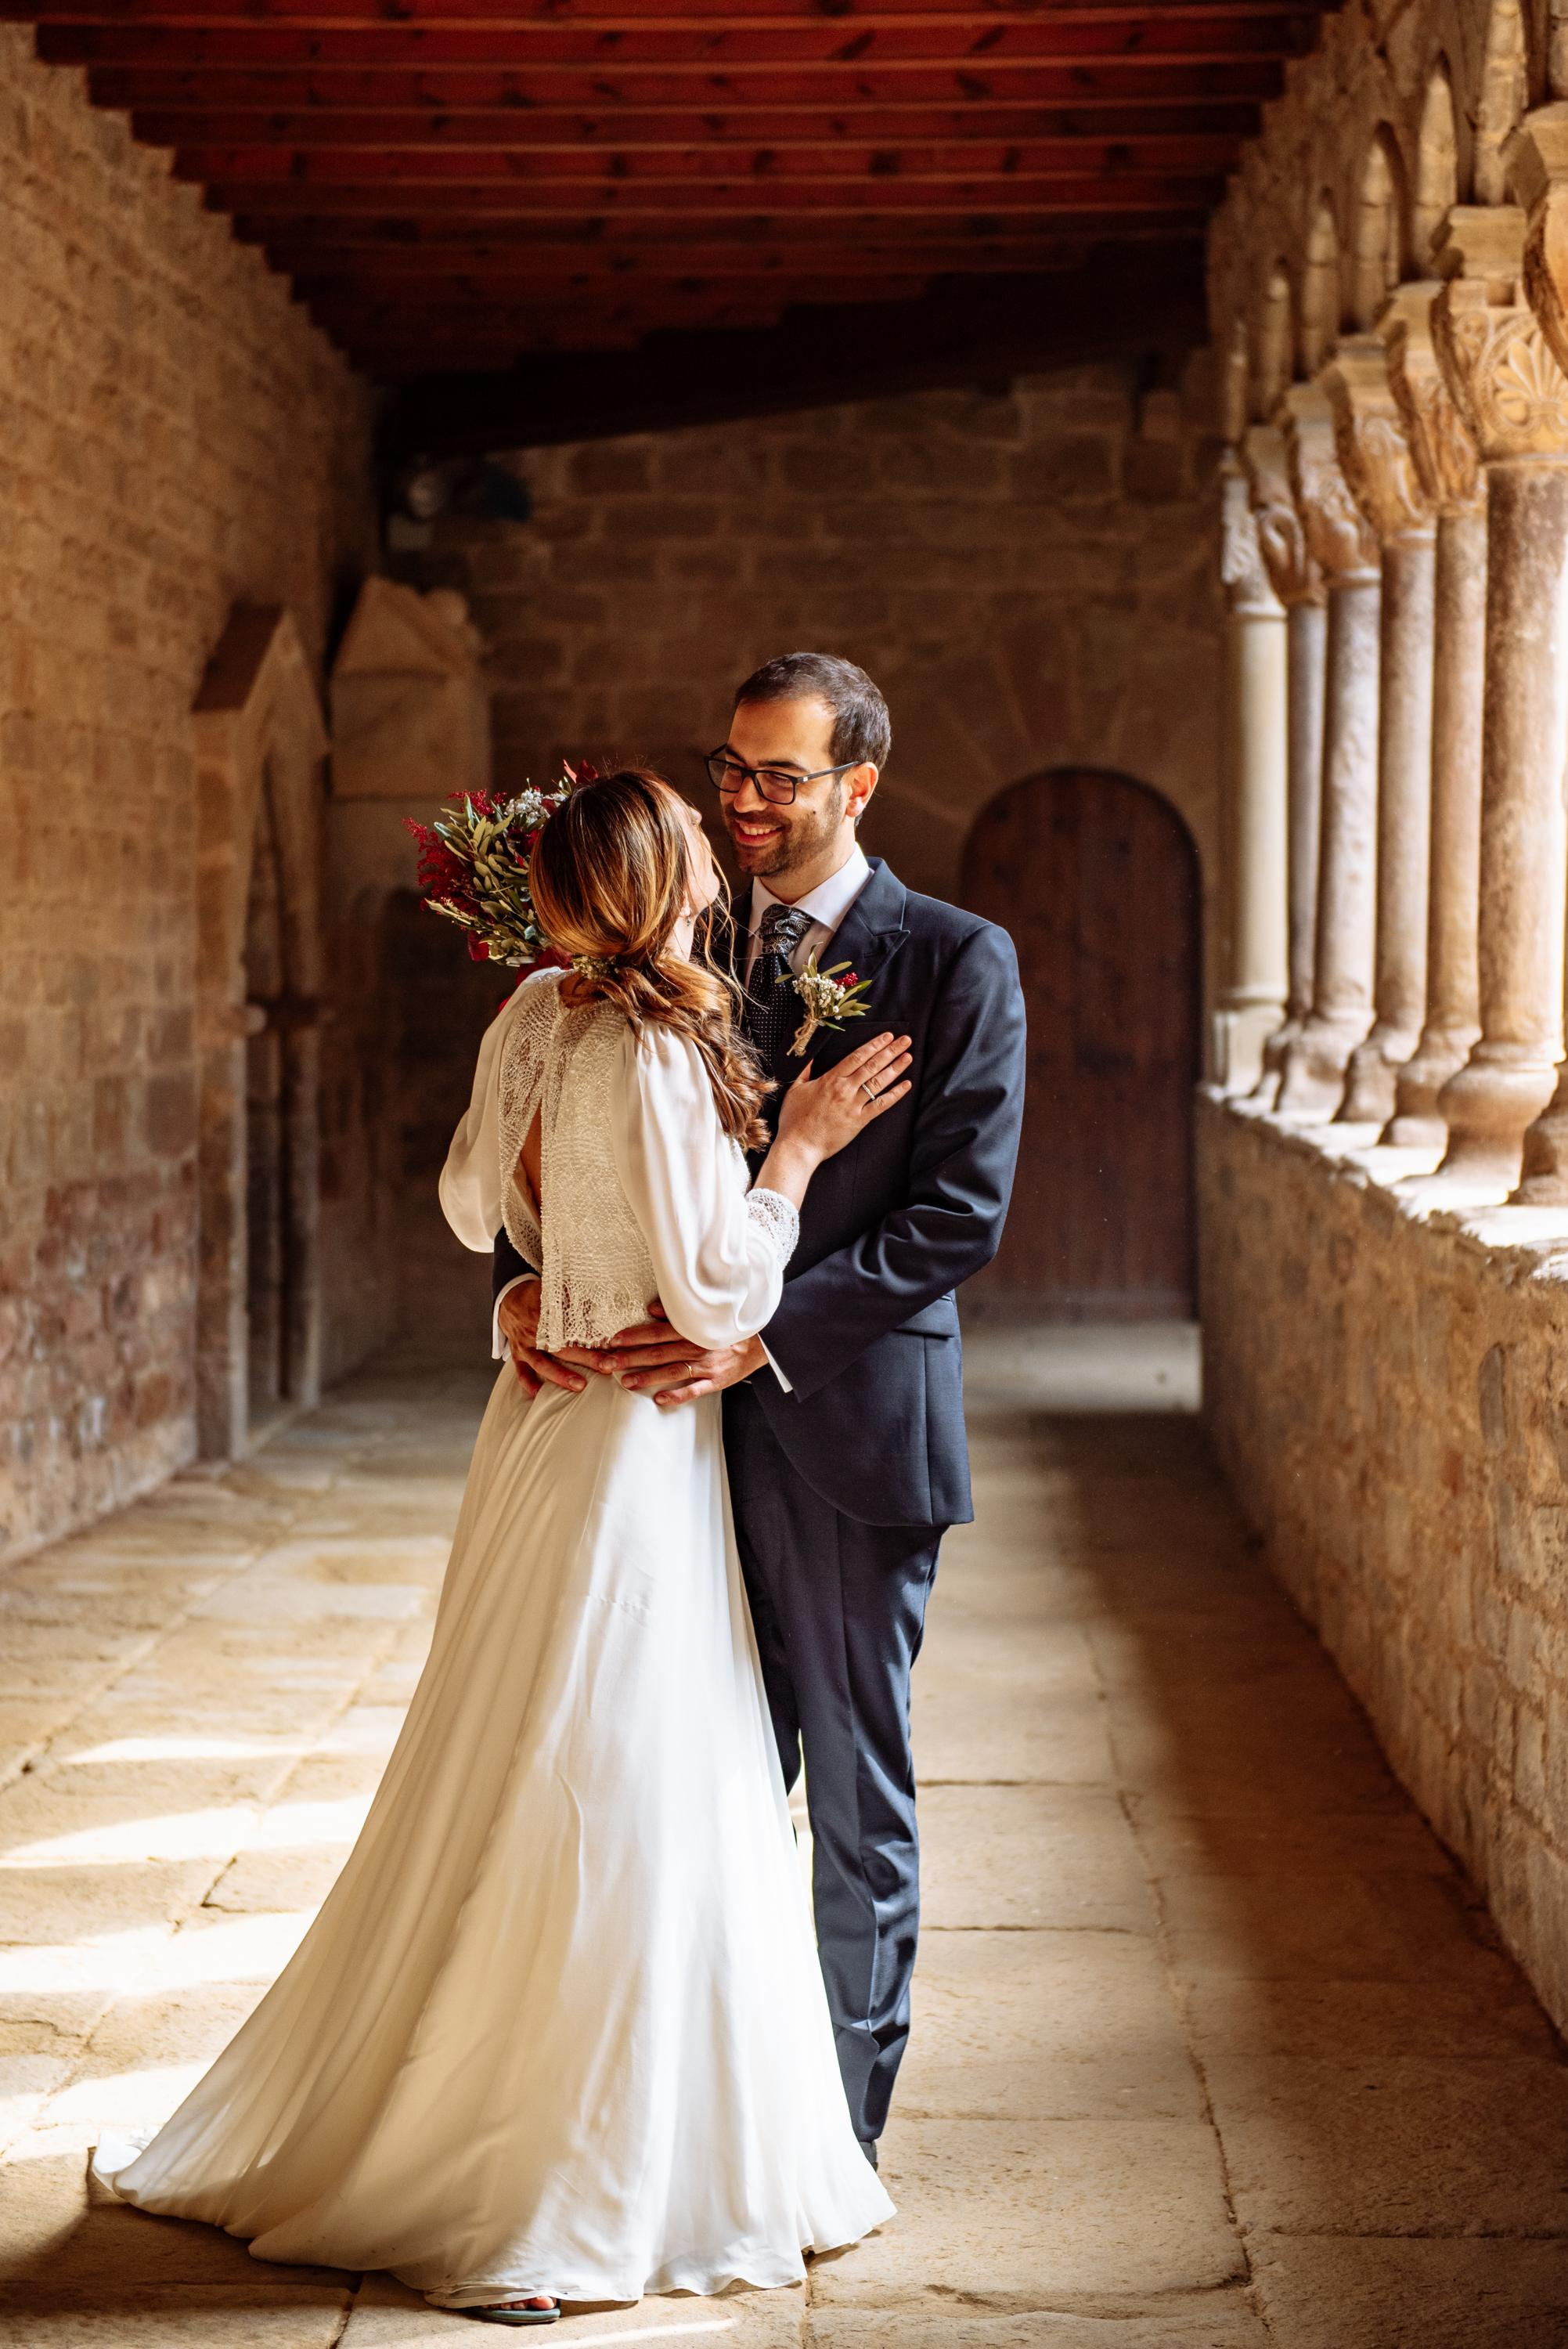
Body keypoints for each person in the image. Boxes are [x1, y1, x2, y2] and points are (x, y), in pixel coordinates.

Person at [90, 767, 903, 2322]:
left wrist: (540, 1286)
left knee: (508, 1748)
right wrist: (796, 1152)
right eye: (694, 848)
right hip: (634, 1454)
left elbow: (475, 1206)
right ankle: (546, 2185)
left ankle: (483, 2121)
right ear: (667, 882)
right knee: (614, 1779)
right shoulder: (659, 1050)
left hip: (540, 1429)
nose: (714, 860)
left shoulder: (532, 1014)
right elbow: (715, 1290)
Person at [495, 653, 1028, 2167]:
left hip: (843, 1432)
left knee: (852, 1797)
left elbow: (959, 1216)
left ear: (859, 786)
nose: (741, 799)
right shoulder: (674, 927)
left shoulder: (955, 958)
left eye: (779, 778)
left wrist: (759, 1339)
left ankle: (833, 2144)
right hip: (657, 1450)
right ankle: (674, 2120)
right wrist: (524, 1287)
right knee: (674, 1787)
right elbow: (561, 1130)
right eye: (730, 768)